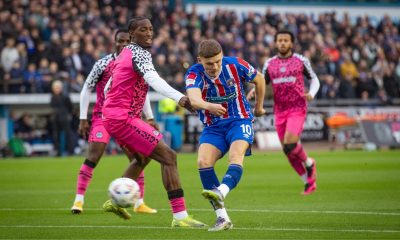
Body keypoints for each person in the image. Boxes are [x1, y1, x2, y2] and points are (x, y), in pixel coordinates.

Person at [101, 17, 206, 228]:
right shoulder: (139, 53)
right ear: (132, 34)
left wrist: (126, 109)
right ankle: (180, 216)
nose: (149, 33)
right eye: (143, 30)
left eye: (150, 29)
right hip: (122, 118)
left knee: (142, 158)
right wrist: (181, 99)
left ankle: (114, 201)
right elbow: (154, 81)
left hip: (115, 116)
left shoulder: (125, 53)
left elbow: (109, 87)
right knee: (169, 157)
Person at [71, 29, 156, 215]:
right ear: (114, 42)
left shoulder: (137, 62)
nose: (123, 44)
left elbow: (143, 92)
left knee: (138, 159)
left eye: (127, 41)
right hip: (103, 117)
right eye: (120, 41)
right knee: (94, 156)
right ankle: (78, 201)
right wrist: (83, 118)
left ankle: (139, 202)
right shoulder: (103, 63)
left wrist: (149, 117)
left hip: (127, 119)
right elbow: (87, 89)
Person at [185, 39, 266, 231]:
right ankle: (222, 218)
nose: (214, 67)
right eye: (209, 63)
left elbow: (260, 78)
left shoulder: (235, 64)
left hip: (240, 120)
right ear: (200, 60)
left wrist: (259, 107)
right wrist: (209, 106)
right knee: (203, 162)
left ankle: (221, 191)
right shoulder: (193, 73)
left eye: (217, 61)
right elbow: (194, 99)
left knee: (235, 156)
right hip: (213, 127)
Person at [260, 30, 320, 195]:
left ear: (291, 43)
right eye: (280, 40)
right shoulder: (270, 63)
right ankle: (308, 182)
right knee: (287, 150)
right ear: (276, 43)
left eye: (286, 40)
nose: (283, 43)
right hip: (279, 111)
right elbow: (262, 84)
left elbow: (314, 79)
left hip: (297, 108)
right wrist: (255, 92)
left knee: (291, 143)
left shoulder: (300, 60)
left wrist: (312, 94)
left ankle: (309, 163)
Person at [50, 80, 74, 156]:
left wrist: (67, 114)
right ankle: (58, 151)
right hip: (56, 118)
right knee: (56, 135)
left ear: (61, 88)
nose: (57, 89)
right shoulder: (52, 97)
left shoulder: (65, 97)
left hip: (64, 118)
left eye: (58, 87)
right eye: (55, 88)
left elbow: (70, 107)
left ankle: (71, 151)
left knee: (68, 135)